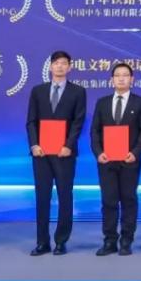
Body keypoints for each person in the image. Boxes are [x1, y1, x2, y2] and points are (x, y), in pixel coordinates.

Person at [25, 50, 87, 256]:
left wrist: (68, 145)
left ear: (70, 67)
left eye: (64, 63)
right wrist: (34, 145)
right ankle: (42, 242)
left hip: (64, 153)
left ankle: (61, 241)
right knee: (42, 197)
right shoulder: (38, 91)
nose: (60, 66)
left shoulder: (78, 92)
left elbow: (78, 122)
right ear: (50, 66)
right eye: (56, 63)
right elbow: (31, 121)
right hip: (41, 153)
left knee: (64, 196)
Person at [90, 62, 141, 256]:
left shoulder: (140, 102)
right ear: (112, 80)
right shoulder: (102, 102)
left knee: (128, 200)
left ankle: (126, 240)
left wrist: (136, 152)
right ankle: (109, 240)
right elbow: (95, 130)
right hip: (106, 161)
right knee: (108, 201)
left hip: (129, 160)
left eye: (125, 75)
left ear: (132, 79)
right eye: (117, 75)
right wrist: (98, 152)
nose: (121, 78)